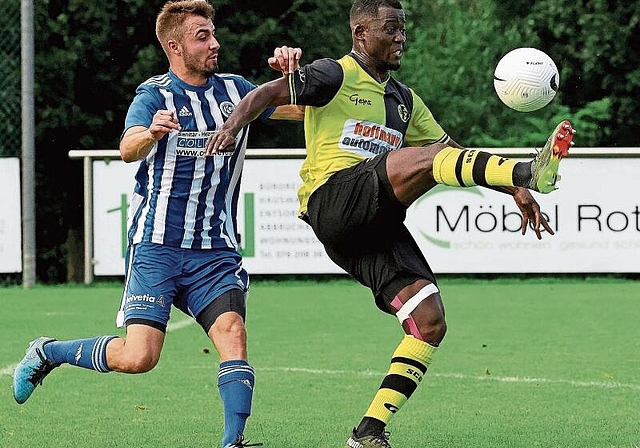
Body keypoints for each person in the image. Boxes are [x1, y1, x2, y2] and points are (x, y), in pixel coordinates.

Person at [204, 0, 575, 447]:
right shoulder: (332, 74)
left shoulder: (404, 100)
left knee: (429, 321)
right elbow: (266, 94)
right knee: (419, 160)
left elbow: (449, 150)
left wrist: (512, 193)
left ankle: (369, 430)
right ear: (361, 34)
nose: (401, 37)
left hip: (372, 224)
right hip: (334, 200)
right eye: (391, 29)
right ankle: (526, 169)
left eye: (403, 29)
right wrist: (231, 126)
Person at [12, 2, 302, 447]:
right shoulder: (154, 95)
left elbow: (302, 113)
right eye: (202, 36)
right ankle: (49, 352)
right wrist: (152, 132)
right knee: (139, 357)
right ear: (175, 45)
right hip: (157, 246)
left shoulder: (237, 90)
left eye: (213, 33)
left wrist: (293, 78)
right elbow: (128, 148)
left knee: (233, 334)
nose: (215, 43)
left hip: (215, 248)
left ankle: (232, 442)